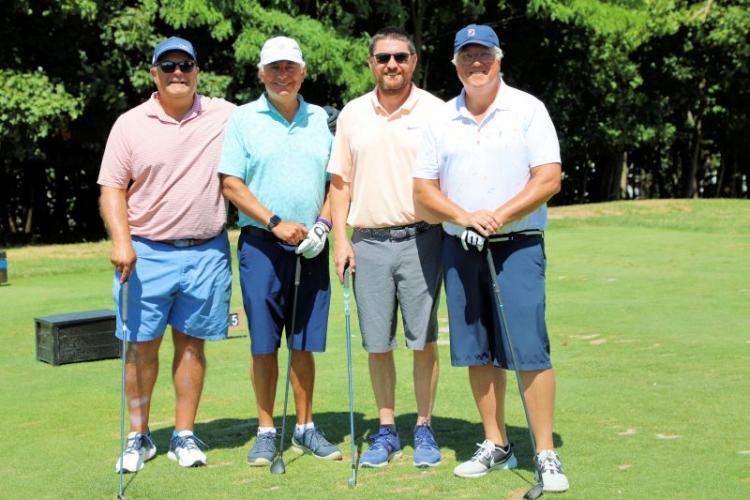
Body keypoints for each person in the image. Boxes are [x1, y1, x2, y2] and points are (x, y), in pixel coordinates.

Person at [413, 24, 570, 492]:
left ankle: (545, 452)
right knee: (476, 349)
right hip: (461, 244)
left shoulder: (527, 109)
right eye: (467, 56)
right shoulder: (440, 119)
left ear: (499, 59)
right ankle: (496, 443)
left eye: (483, 54)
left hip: (516, 245)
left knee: (528, 348)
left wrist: (497, 216)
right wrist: (465, 217)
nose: (476, 63)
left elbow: (548, 179)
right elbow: (423, 190)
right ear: (455, 64)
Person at [98, 36, 235, 472]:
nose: (178, 73)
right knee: (141, 348)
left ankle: (183, 435)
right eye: (169, 66)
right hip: (146, 252)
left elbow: (268, 123)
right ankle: (138, 437)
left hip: (207, 251)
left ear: (197, 71)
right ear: (154, 73)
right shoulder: (130, 124)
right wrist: (121, 240)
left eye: (186, 65)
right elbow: (112, 187)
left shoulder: (225, 115)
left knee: (192, 347)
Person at [217, 36, 342, 466]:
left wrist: (323, 225)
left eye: (290, 67)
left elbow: (337, 183)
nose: (282, 75)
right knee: (264, 343)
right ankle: (267, 430)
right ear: (261, 73)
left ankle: (305, 428)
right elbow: (231, 183)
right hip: (262, 246)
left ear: (303, 73)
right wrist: (274, 222)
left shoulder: (322, 120)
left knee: (304, 342)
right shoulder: (242, 119)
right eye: (274, 68)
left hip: (312, 246)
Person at [327, 26, 445, 469]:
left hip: (423, 240)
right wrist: (340, 240)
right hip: (369, 243)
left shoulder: (436, 111)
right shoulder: (352, 114)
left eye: (399, 57)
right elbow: (340, 183)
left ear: (413, 61)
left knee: (423, 340)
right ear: (371, 63)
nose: (391, 64)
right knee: (377, 343)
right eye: (383, 58)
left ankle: (424, 427)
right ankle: (387, 429)